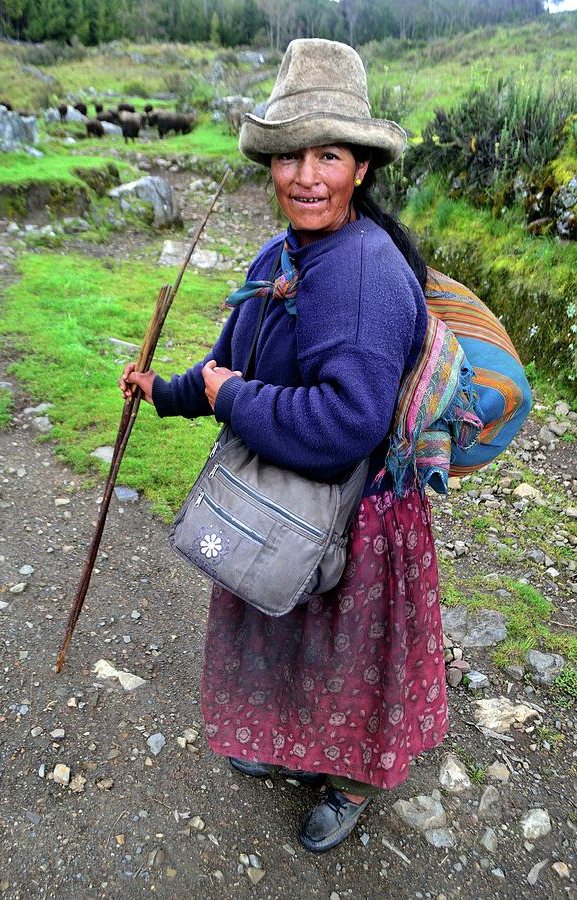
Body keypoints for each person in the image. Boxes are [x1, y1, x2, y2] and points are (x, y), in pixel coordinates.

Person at [119, 38, 448, 853]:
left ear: (361, 169)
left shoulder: (363, 274)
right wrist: (167, 393)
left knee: (349, 665)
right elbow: (230, 362)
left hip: (354, 516)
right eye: (290, 155)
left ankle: (352, 782)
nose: (306, 175)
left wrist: (233, 397)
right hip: (287, 503)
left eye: (328, 155)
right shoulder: (285, 253)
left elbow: (346, 423)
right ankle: (285, 744)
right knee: (284, 633)